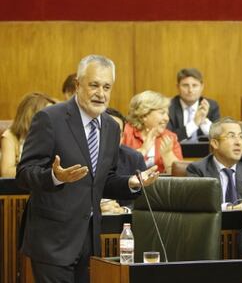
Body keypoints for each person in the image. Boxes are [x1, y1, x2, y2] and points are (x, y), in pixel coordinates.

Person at [16, 55, 158, 283]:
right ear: (77, 85)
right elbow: (24, 174)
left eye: (107, 86)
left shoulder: (111, 127)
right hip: (53, 240)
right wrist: (54, 176)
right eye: (94, 85)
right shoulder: (50, 119)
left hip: (89, 241)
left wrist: (131, 182)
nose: (100, 93)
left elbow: (104, 181)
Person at [186, 117, 242, 210]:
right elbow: (198, 205)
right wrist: (230, 208)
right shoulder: (198, 170)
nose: (238, 143)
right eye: (231, 136)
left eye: (241, 137)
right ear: (215, 143)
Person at [123, 90, 183, 174]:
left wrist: (168, 155)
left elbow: (179, 177)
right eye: (162, 113)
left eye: (167, 114)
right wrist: (143, 150)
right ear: (144, 115)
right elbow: (120, 169)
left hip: (160, 186)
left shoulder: (170, 137)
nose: (167, 119)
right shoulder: (125, 133)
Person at [101, 107, 147, 213]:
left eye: (117, 132)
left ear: (122, 137)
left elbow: (144, 200)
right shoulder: (76, 155)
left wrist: (124, 210)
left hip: (122, 222)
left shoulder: (133, 158)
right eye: (106, 130)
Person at [1, 92, 55, 178]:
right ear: (31, 115)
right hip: (23, 188)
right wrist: (40, 171)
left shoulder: (55, 133)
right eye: (48, 114)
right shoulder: (11, 136)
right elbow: (6, 172)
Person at [167, 68, 220, 142]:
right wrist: (194, 123)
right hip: (177, 152)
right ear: (178, 87)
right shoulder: (169, 107)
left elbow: (218, 138)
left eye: (194, 85)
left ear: (201, 87)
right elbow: (168, 139)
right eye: (185, 85)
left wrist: (203, 122)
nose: (190, 90)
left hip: (205, 152)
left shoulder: (211, 106)